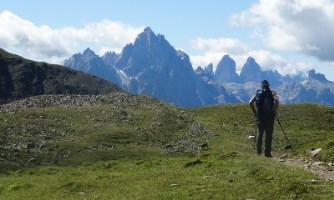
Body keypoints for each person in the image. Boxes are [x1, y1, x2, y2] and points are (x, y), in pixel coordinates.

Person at [249, 80, 279, 157]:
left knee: (260, 135)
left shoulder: (258, 93)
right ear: (268, 85)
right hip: (270, 117)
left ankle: (258, 153)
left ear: (262, 86)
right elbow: (277, 102)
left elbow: (250, 102)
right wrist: (274, 111)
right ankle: (267, 153)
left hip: (260, 117)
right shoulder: (272, 93)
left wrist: (254, 112)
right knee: (269, 135)